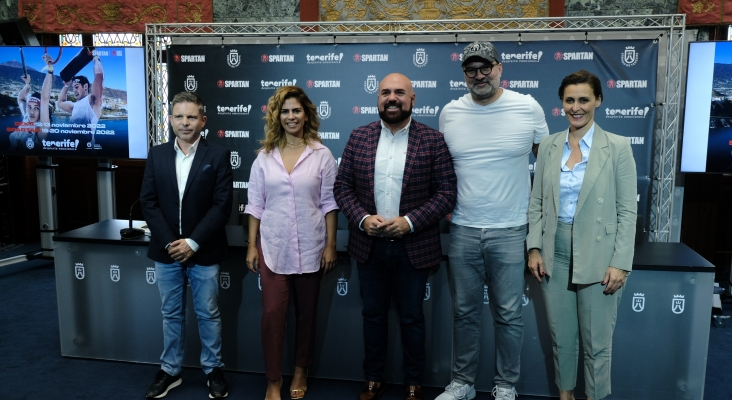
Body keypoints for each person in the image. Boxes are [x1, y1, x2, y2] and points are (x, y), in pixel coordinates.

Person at [437, 41, 549, 400]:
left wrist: (539, 232)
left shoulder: (527, 107)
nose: (479, 75)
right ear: (463, 75)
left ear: (499, 68)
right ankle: (463, 384)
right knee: (464, 313)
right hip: (464, 230)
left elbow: (547, 168)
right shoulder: (449, 113)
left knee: (508, 315)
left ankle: (505, 387)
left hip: (512, 230)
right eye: (471, 69)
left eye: (485, 67)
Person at [334, 73, 457, 400]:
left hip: (413, 247)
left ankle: (414, 382)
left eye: (399, 92)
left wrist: (410, 222)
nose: (392, 98)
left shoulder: (432, 140)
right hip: (369, 246)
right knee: (372, 315)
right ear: (377, 99)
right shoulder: (358, 137)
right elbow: (342, 187)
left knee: (413, 317)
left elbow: (446, 194)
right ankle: (373, 377)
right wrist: (361, 219)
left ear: (413, 98)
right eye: (385, 92)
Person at [527, 70, 637, 400]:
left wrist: (620, 262)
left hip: (599, 253)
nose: (576, 107)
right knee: (562, 339)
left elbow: (627, 212)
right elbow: (536, 203)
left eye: (584, 100)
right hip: (553, 252)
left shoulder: (617, 147)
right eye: (569, 100)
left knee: (596, 344)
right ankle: (565, 396)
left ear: (598, 101)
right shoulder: (548, 146)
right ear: (562, 103)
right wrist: (533, 247)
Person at [245, 86, 339, 400]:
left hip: (312, 247)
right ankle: (273, 380)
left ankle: (301, 369)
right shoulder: (264, 157)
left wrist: (330, 245)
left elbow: (329, 203)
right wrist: (251, 245)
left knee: (307, 314)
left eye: (296, 110)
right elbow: (255, 204)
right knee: (272, 315)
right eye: (284, 111)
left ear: (306, 114)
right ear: (277, 116)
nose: (290, 116)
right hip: (272, 247)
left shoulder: (321, 154)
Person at [140, 91, 233, 399]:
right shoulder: (157, 154)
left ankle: (213, 369)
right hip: (166, 251)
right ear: (169, 119)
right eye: (179, 116)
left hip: (203, 250)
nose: (185, 122)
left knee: (207, 312)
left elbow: (222, 206)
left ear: (203, 121)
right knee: (171, 313)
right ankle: (170, 370)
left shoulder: (217, 155)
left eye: (192, 116)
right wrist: (170, 243)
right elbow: (148, 202)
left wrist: (192, 242)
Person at [10, 54, 54, 151]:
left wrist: (50, 69)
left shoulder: (43, 127)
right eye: (29, 107)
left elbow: (45, 98)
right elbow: (21, 99)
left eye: (36, 108)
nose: (31, 111)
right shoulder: (27, 117)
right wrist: (27, 84)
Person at [57, 55, 103, 146]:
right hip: (70, 149)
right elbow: (60, 103)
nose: (74, 90)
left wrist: (96, 59)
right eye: (73, 88)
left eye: (76, 87)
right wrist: (66, 85)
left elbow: (99, 77)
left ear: (85, 86)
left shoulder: (92, 101)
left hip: (86, 150)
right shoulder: (74, 106)